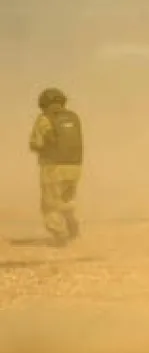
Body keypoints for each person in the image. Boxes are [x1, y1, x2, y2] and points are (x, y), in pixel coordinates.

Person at [28, 87, 84, 247]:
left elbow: (36, 143)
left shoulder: (44, 119)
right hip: (75, 167)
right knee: (66, 199)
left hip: (53, 167)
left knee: (50, 204)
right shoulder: (74, 117)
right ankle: (72, 227)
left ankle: (60, 236)